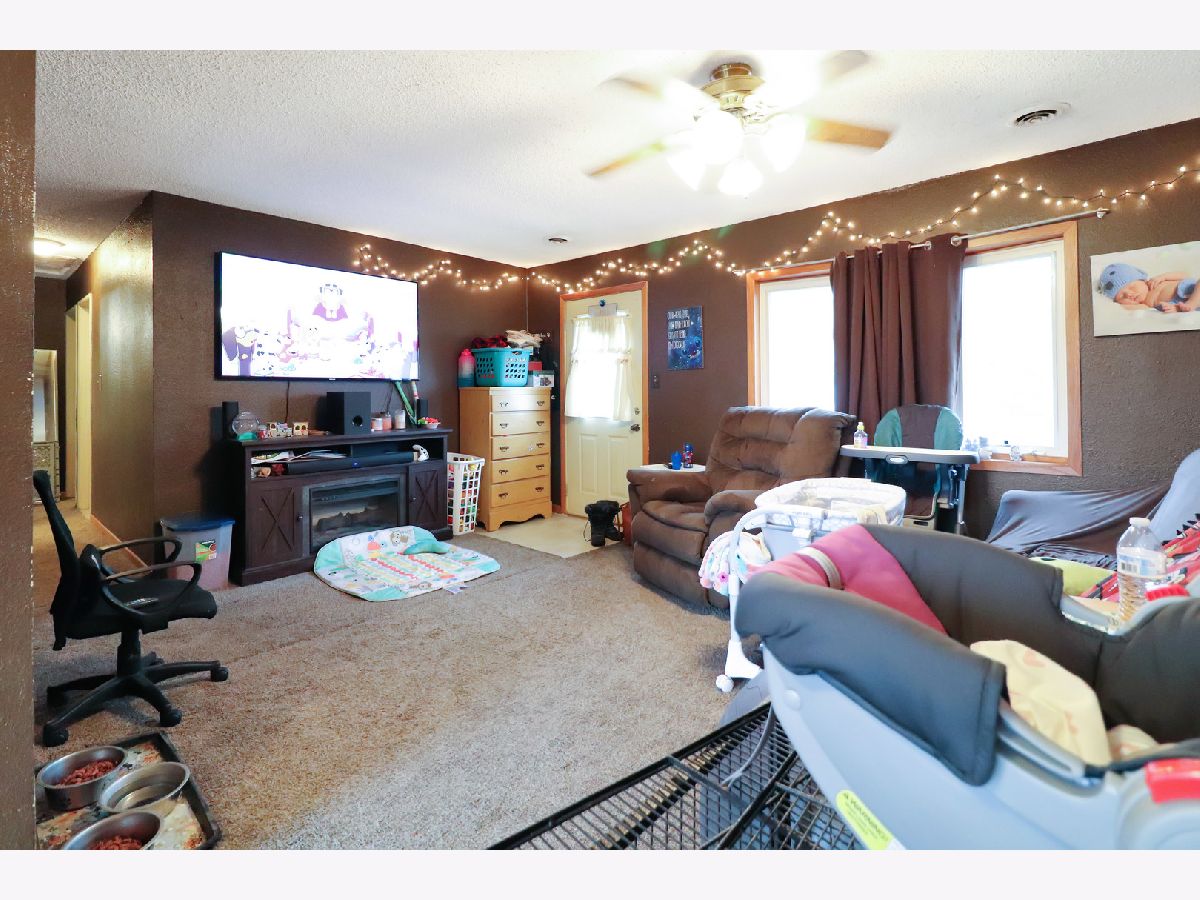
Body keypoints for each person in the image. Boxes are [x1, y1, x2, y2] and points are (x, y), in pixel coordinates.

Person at [1098, 262, 1199, 313]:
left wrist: (1164, 276)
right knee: (1170, 309)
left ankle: (1192, 303)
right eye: (1122, 297)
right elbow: (1124, 309)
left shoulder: (1155, 281)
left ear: (1142, 280)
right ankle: (1184, 307)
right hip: (1177, 306)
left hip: (1192, 290)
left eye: (1132, 287)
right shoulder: (1145, 305)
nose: (1128, 294)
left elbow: (1185, 275)